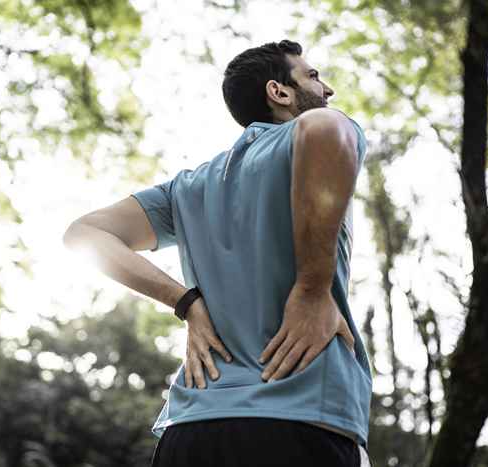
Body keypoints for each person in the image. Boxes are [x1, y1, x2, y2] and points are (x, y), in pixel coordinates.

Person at [62, 39, 373, 467]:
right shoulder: (314, 132)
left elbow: (85, 234)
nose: (327, 91)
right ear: (278, 92)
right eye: (313, 77)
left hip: (191, 431)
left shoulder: (188, 187)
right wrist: (313, 289)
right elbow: (328, 128)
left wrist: (185, 302)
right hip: (299, 420)